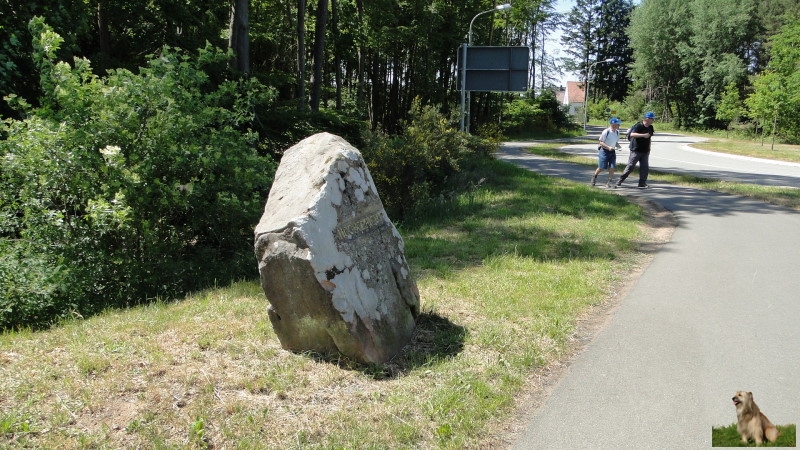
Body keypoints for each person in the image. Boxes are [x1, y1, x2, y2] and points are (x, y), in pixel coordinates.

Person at [616, 111, 656, 188]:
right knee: (630, 166)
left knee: (644, 168)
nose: (653, 120)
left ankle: (642, 183)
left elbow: (649, 138)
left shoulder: (650, 127)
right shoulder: (639, 125)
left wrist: (649, 149)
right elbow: (632, 134)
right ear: (647, 119)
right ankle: (620, 180)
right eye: (652, 119)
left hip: (645, 151)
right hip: (635, 150)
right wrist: (643, 135)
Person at [592, 117, 622, 188]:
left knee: (612, 167)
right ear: (613, 124)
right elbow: (601, 142)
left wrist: (619, 146)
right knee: (601, 167)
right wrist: (608, 147)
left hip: (612, 152)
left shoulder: (617, 132)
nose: (619, 125)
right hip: (604, 151)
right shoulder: (606, 131)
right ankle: (594, 177)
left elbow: (616, 142)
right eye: (618, 124)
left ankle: (609, 182)